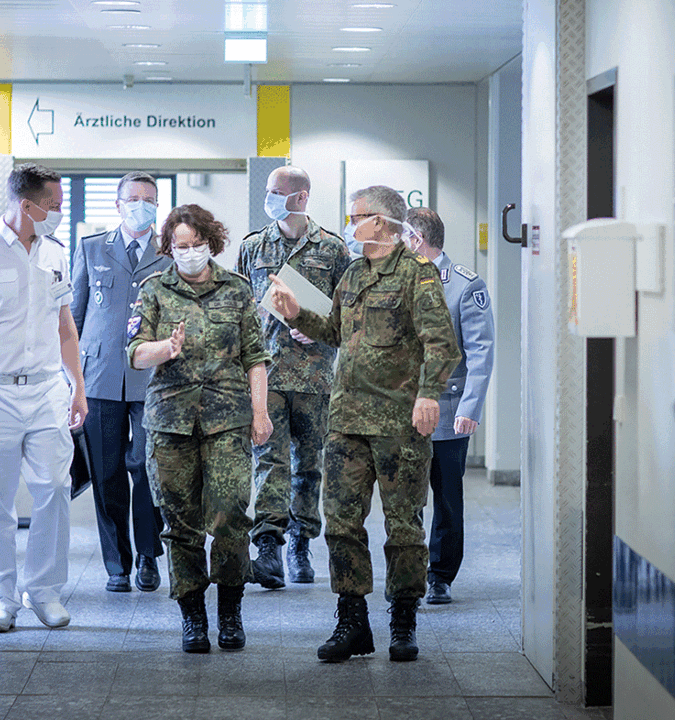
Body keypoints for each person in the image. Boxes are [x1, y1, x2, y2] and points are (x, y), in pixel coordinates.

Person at [269, 185, 460, 663]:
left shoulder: (419, 276)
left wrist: (428, 394)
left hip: (398, 424)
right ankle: (352, 620)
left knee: (403, 527)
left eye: (356, 217)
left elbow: (442, 345)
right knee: (343, 523)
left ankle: (402, 620)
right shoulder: (353, 273)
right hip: (347, 421)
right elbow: (335, 330)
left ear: (381, 222)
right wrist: (297, 314)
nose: (350, 223)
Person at [126, 204, 273, 654]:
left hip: (228, 418)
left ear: (211, 242)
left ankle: (230, 611)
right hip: (170, 422)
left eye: (196, 245)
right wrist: (164, 349)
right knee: (181, 522)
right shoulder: (153, 289)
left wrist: (261, 413)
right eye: (180, 247)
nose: (188, 253)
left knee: (230, 514)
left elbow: (255, 356)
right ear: (169, 247)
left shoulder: (237, 289)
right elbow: (134, 352)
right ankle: (192, 616)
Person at [0, 163, 88, 632]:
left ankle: (44, 590)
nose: (58, 211)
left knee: (54, 488)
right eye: (53, 204)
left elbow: (65, 326)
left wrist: (78, 386)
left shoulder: (54, 251)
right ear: (27, 205)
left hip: (48, 387)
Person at [236, 166, 350, 588]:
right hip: (266, 373)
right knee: (268, 460)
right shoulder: (253, 247)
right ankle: (269, 547)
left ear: (300, 198)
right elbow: (240, 308)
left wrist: (316, 323)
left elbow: (347, 311)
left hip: (315, 376)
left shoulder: (333, 250)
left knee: (309, 465)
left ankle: (302, 541)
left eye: (276, 191)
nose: (268, 197)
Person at [71, 171, 171, 593]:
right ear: (117, 204)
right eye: (133, 198)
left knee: (148, 469)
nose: (141, 205)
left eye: (149, 199)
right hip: (99, 378)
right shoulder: (91, 249)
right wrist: (70, 381)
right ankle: (118, 565)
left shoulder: (170, 255)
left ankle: (148, 557)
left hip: (153, 380)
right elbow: (72, 319)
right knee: (107, 472)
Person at [403, 207, 495, 606]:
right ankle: (406, 570)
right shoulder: (397, 280)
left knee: (446, 497)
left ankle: (440, 575)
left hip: (446, 409)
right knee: (404, 496)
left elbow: (481, 351)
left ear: (416, 240)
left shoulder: (463, 286)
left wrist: (470, 408)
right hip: (402, 410)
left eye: (401, 238)